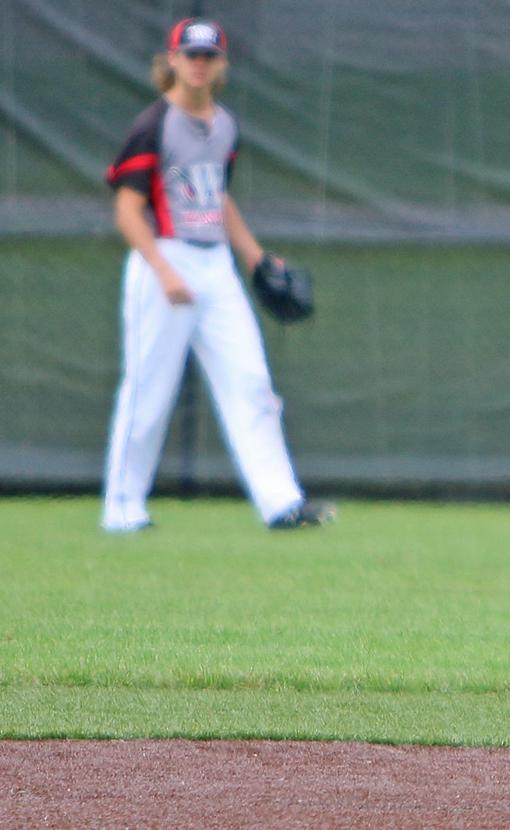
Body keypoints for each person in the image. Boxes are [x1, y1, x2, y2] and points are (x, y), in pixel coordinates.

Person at [101, 18, 332, 532]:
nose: (200, 63)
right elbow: (127, 210)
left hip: (215, 265)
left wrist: (255, 257)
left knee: (252, 383)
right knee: (148, 390)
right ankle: (122, 506)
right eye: (191, 54)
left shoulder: (224, 124)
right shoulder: (152, 124)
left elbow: (216, 198)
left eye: (209, 55)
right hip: (162, 257)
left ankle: (281, 502)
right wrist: (163, 271)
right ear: (173, 60)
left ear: (221, 63)